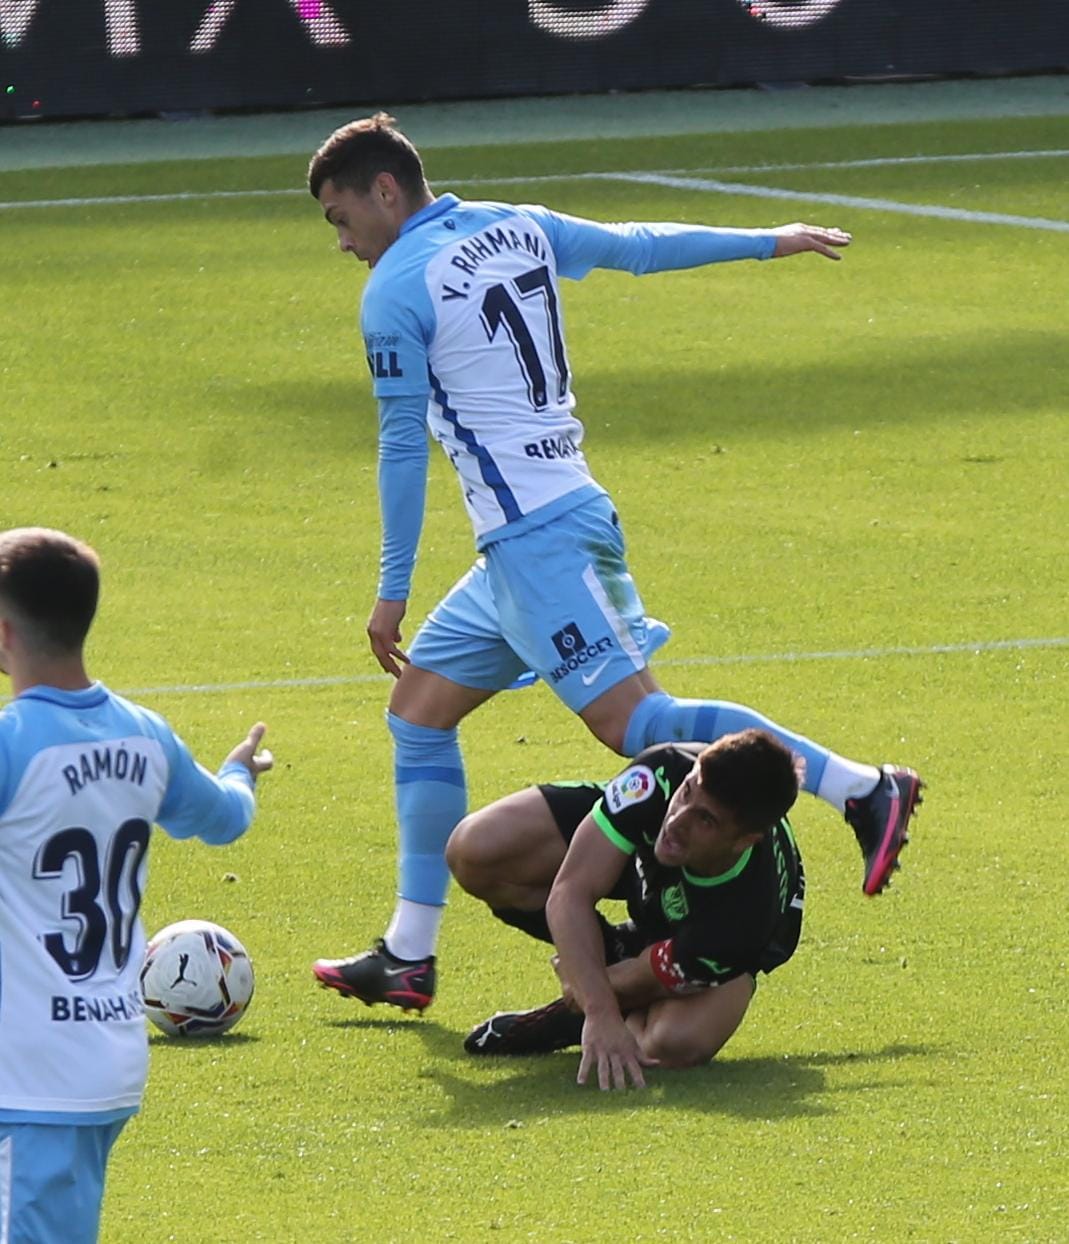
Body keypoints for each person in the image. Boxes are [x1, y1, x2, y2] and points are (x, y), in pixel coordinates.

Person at [306, 113, 923, 1014]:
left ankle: (863, 788)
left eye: (338, 215)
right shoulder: (517, 223)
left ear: (385, 191)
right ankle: (408, 951)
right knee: (419, 712)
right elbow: (636, 246)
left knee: (641, 725)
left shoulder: (395, 287)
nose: (343, 239)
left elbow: (401, 444)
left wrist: (390, 588)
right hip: (524, 545)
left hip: (541, 540)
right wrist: (764, 241)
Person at [0, 528, 273, 1244]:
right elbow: (225, 817)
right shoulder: (145, 736)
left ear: (3, 631)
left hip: (31, 1077)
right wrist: (240, 769)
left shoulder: (11, 745)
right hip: (102, 1060)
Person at [449, 729, 804, 1089]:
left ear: (744, 841)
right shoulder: (661, 774)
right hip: (641, 867)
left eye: (705, 820)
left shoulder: (743, 921)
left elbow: (645, 977)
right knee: (474, 851)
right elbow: (571, 889)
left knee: (672, 1042)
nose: (677, 821)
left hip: (708, 942)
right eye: (686, 792)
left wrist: (585, 991)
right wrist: (600, 1009)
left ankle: (563, 1021)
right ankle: (601, 980)